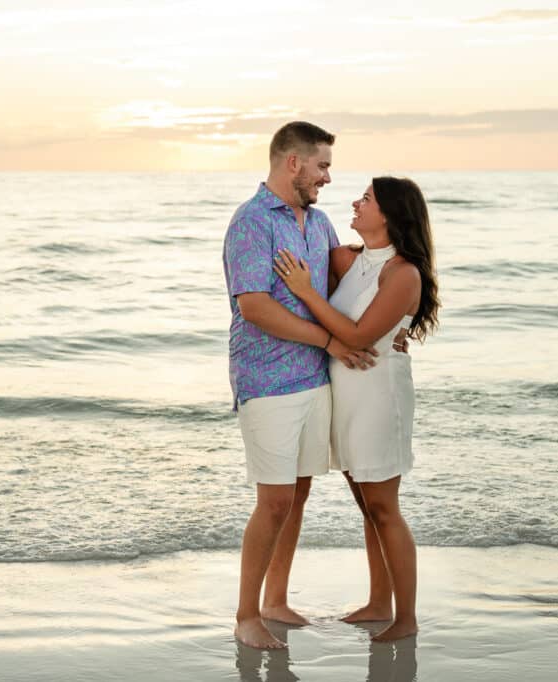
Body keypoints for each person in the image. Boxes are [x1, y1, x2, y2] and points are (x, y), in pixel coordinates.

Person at [222, 121, 377, 650]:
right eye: (323, 166)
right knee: (273, 501)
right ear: (294, 163)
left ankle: (275, 600)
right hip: (267, 379)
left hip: (314, 377)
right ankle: (246, 615)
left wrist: (398, 323)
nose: (328, 178)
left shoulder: (319, 223)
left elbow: (344, 284)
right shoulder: (251, 221)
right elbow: (255, 305)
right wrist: (331, 342)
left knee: (299, 493)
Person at [273, 176, 440, 642]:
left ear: (388, 214)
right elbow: (307, 241)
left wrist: (307, 292)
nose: (355, 201)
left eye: (366, 198)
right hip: (345, 397)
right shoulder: (352, 260)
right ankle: (377, 602)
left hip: (378, 400)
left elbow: (360, 335)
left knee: (384, 509)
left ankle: (405, 617)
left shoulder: (403, 273)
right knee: (368, 507)